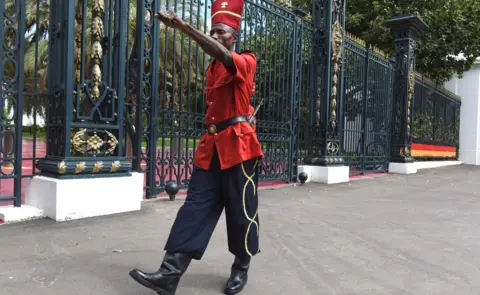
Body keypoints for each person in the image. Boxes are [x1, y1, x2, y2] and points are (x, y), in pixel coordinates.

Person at [129, 1, 264, 294]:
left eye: (222, 32)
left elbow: (222, 54)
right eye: (213, 31)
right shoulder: (213, 69)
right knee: (194, 209)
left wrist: (185, 27)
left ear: (235, 37)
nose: (216, 36)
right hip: (212, 148)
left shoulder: (246, 59)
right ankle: (169, 274)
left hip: (239, 148)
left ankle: (241, 267)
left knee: (241, 211)